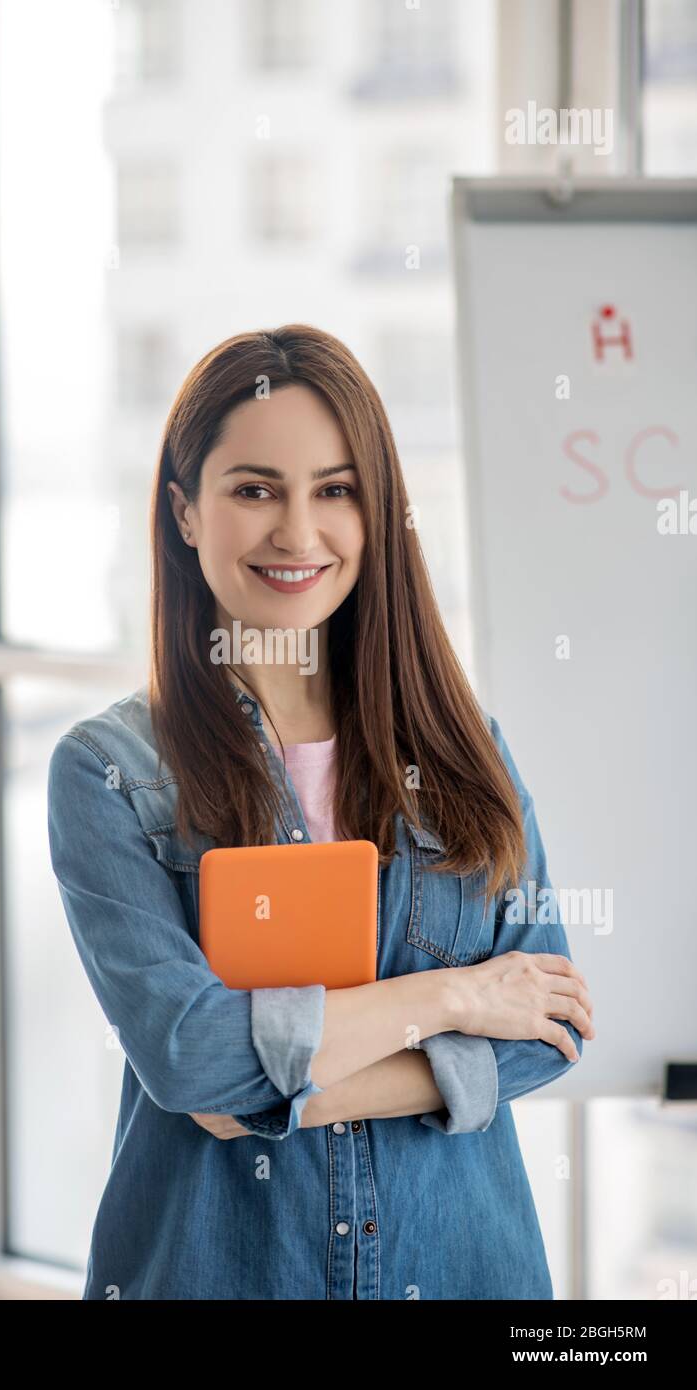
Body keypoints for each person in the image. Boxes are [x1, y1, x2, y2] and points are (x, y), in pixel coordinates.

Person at [47, 323, 595, 1300]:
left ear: (374, 511)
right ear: (183, 511)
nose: (296, 533)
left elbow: (545, 1027)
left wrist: (267, 1089)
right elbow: (189, 1059)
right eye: (253, 488)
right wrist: (452, 998)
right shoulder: (108, 772)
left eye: (333, 490)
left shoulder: (466, 747)